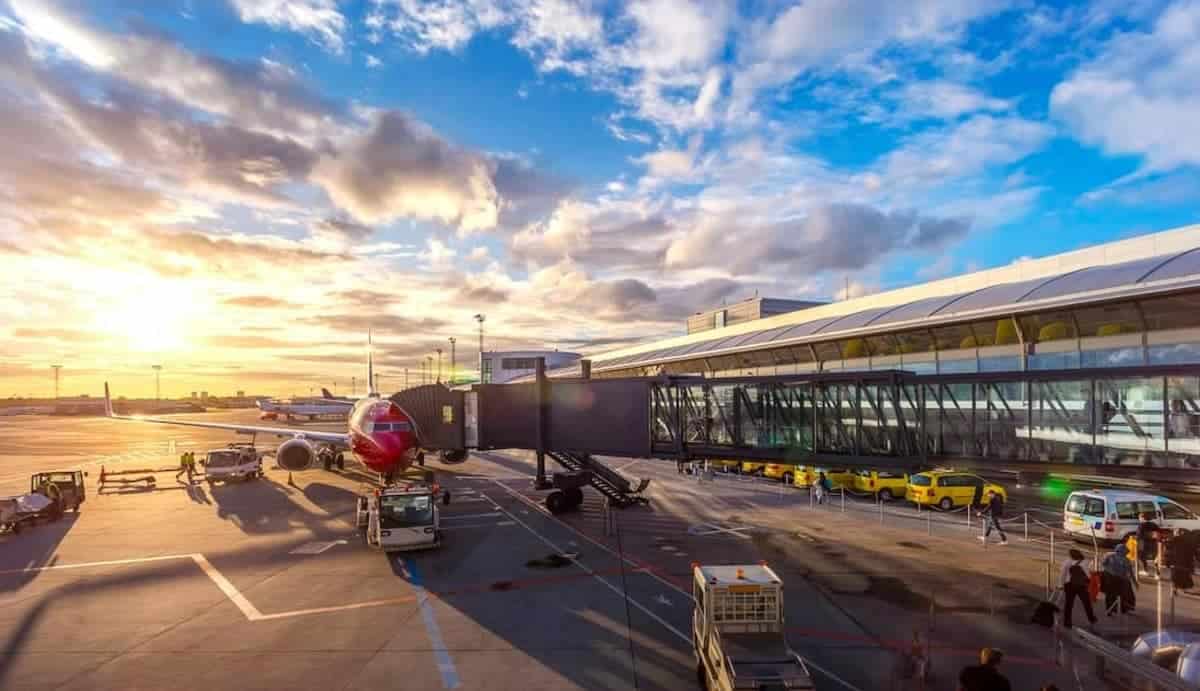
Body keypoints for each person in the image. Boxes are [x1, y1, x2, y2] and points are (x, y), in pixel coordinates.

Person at [1059, 548, 1097, 628]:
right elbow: (1088, 575)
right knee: (1086, 603)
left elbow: (1062, 574)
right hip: (1081, 586)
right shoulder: (1084, 562)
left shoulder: (1067, 562)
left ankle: (1067, 622)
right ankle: (1091, 619)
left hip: (1069, 585)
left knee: (1069, 604)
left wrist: (1061, 585)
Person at [1100, 543, 1137, 614]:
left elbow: (1103, 564)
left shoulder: (1109, 556)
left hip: (1108, 578)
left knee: (1110, 595)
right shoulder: (1126, 560)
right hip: (1120, 579)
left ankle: (1110, 610)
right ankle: (1124, 609)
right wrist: (1135, 583)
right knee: (1124, 595)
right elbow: (1130, 572)